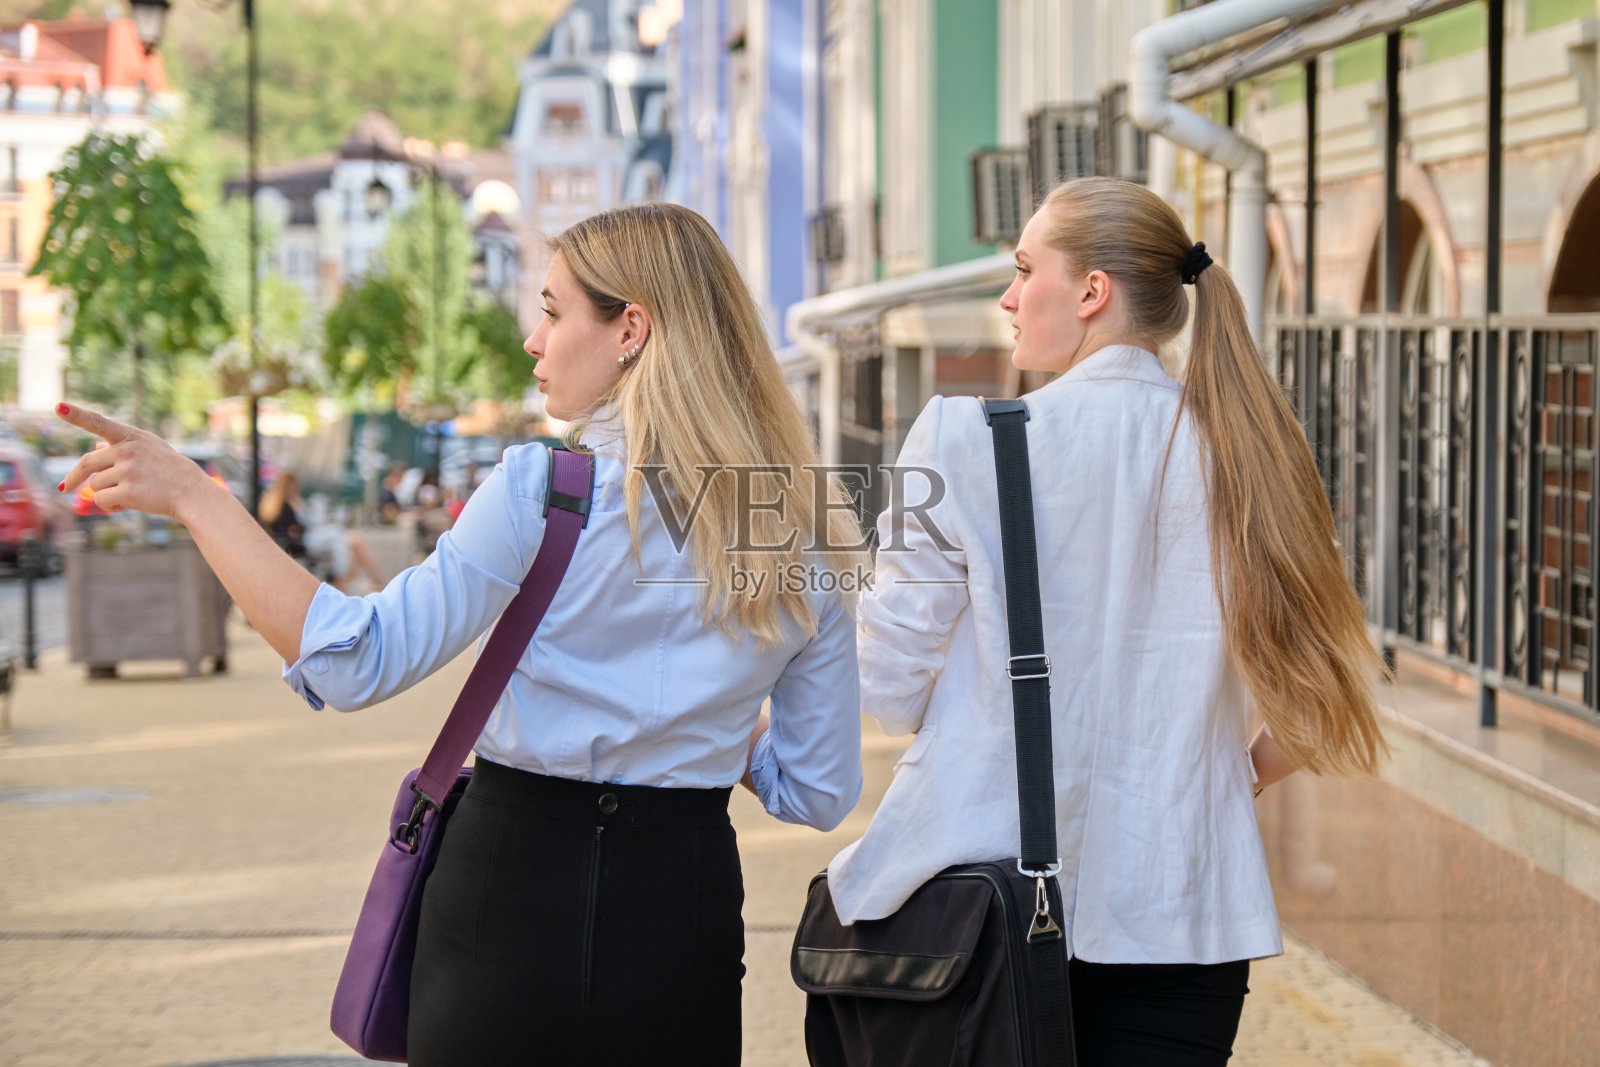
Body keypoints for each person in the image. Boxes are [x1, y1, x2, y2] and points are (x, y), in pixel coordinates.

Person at [54, 202, 865, 1066]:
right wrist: (710, 720)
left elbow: (354, 659)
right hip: (680, 915)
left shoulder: (543, 490)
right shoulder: (803, 526)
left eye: (552, 311)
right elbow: (817, 792)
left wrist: (198, 497)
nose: (533, 340)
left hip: (506, 902)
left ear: (631, 329)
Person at [823, 177, 1387, 1065]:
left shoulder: (964, 440)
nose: (1008, 297)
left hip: (981, 910)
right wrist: (1218, 778)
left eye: (1024, 269)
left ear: (1092, 291)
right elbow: (1322, 699)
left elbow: (889, 688)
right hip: (1185, 915)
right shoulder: (1249, 455)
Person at [259, 470, 387, 593]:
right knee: (341, 538)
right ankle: (344, 579)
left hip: (301, 541)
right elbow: (292, 529)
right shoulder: (285, 505)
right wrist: (298, 528)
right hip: (303, 543)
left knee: (351, 544)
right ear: (289, 484)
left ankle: (350, 581)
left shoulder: (274, 504)